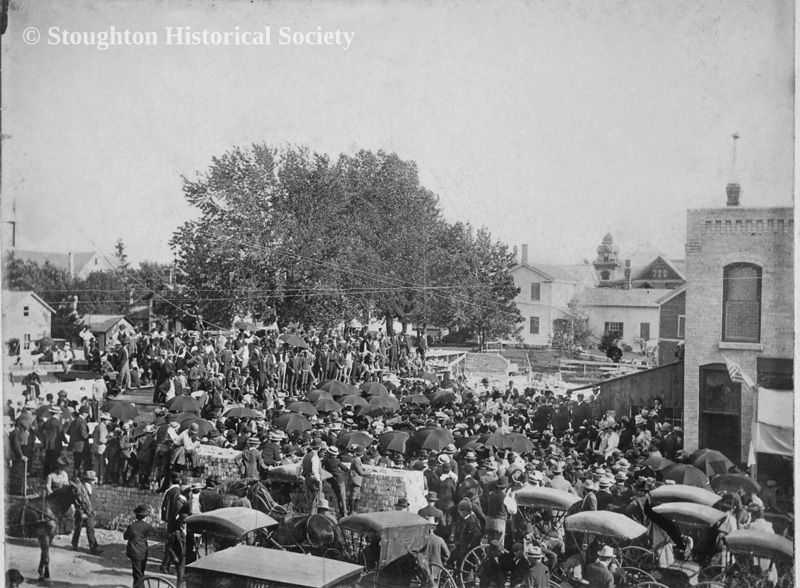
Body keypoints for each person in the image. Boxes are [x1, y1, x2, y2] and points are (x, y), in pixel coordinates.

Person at [124, 505, 154, 588]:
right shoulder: (148, 526)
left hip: (134, 551)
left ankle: (139, 586)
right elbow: (150, 534)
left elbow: (125, 537)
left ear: (136, 516)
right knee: (141, 571)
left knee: (137, 573)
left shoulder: (131, 526)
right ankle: (137, 586)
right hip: (144, 550)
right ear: (145, 516)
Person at [72, 470, 102, 555]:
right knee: (78, 529)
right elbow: (77, 501)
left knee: (90, 530)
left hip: (90, 512)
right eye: (92, 480)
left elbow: (94, 501)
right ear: (88, 480)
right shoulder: (81, 488)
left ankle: (93, 548)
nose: (94, 481)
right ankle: (74, 544)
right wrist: (81, 513)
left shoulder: (93, 488)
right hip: (82, 512)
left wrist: (94, 510)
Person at [67, 406, 91, 479]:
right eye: (87, 413)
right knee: (82, 463)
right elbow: (84, 435)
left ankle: (75, 477)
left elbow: (68, 432)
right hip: (81, 446)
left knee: (76, 463)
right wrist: (90, 435)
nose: (87, 415)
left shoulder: (74, 421)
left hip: (74, 445)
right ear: (84, 413)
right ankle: (78, 477)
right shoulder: (82, 422)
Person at [166, 513, 188, 588]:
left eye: (186, 523)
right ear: (180, 523)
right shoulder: (175, 534)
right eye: (183, 523)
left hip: (189, 558)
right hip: (180, 558)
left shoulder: (190, 533)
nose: (184, 525)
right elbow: (169, 547)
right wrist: (174, 556)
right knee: (181, 577)